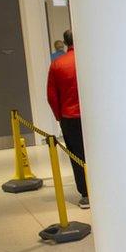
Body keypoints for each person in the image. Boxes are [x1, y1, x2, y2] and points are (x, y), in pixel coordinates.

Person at [47, 29, 89, 209]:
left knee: (76, 154)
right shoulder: (91, 61)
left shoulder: (58, 64)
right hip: (94, 117)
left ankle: (86, 193)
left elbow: (52, 95)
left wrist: (59, 116)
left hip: (70, 116)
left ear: (65, 43)